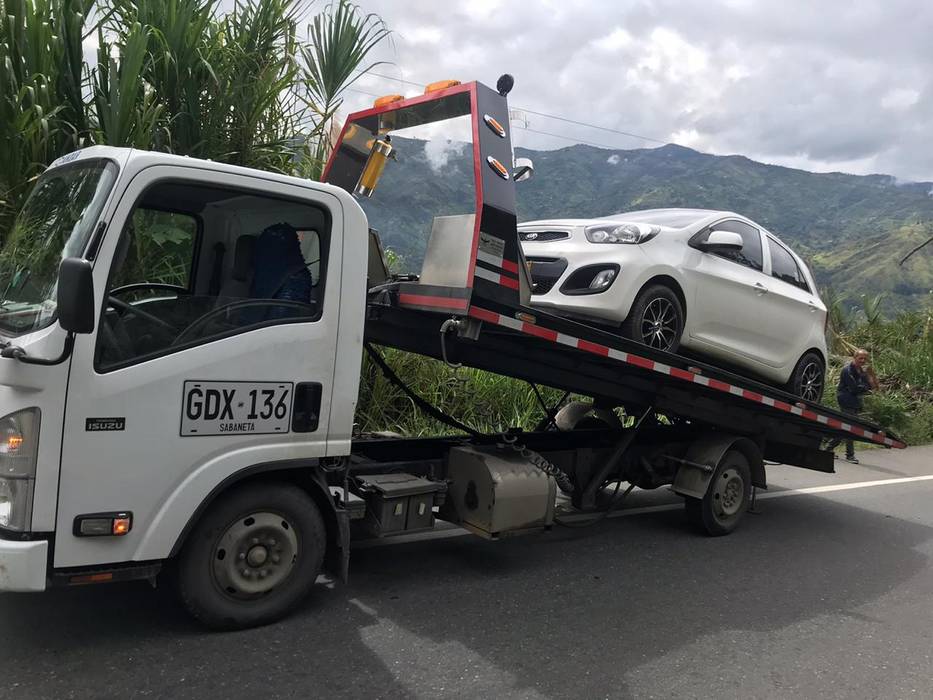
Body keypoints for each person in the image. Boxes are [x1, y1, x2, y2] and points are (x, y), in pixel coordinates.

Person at [827, 349, 879, 463]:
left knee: (846, 426)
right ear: (855, 358)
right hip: (846, 399)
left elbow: (868, 385)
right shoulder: (847, 370)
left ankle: (829, 448)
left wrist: (868, 385)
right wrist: (866, 387)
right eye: (860, 358)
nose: (863, 360)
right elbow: (855, 388)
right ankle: (849, 455)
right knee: (851, 427)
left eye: (865, 359)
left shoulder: (861, 371)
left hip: (854, 401)